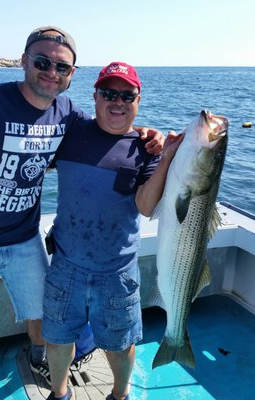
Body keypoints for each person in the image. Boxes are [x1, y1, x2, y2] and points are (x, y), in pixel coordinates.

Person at [0, 28, 164, 400]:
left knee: (45, 320)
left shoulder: (68, 115)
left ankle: (46, 365)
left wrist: (153, 139)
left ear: (72, 75)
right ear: (24, 61)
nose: (51, 71)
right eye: (42, 62)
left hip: (24, 238)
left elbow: (113, 135)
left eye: (62, 66)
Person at [42, 62, 182, 400]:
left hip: (116, 273)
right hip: (65, 265)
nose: (117, 102)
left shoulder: (147, 149)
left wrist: (165, 160)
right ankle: (59, 394)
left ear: (138, 99)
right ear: (95, 96)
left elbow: (147, 207)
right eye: (108, 93)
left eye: (126, 95)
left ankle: (120, 396)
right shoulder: (72, 131)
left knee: (120, 346)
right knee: (58, 339)